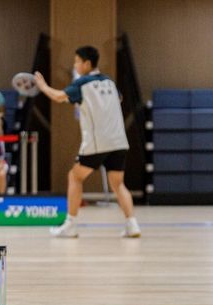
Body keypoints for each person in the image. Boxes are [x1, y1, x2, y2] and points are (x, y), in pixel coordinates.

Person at [34, 45, 140, 238]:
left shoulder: (82, 84)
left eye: (77, 61)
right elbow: (120, 99)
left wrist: (42, 86)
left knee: (75, 177)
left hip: (98, 142)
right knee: (118, 184)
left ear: (87, 63)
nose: (75, 65)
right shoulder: (109, 82)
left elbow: (58, 97)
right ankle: (132, 224)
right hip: (119, 141)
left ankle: (70, 225)